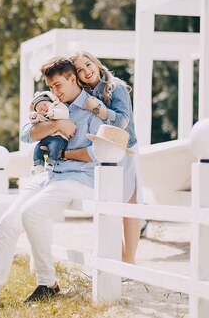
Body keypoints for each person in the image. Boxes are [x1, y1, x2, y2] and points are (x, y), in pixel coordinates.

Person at [0, 57, 104, 309]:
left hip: (78, 177)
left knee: (31, 213)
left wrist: (60, 154)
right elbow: (27, 134)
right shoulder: (53, 105)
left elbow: (96, 153)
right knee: (6, 223)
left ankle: (47, 283)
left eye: (58, 85)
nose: (54, 92)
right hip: (49, 176)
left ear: (71, 78)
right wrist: (58, 124)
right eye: (51, 87)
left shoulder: (92, 109)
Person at [69, 50, 143, 264]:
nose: (86, 72)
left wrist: (99, 109)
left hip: (124, 148)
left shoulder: (115, 86)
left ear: (96, 63)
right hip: (101, 151)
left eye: (88, 65)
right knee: (107, 203)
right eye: (80, 70)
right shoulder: (83, 94)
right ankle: (117, 257)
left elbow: (122, 121)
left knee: (129, 205)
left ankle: (130, 260)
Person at [28, 90, 70, 175]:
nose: (44, 108)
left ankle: (51, 163)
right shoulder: (42, 117)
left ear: (50, 101)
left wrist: (54, 113)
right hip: (46, 138)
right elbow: (35, 120)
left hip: (59, 137)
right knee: (38, 148)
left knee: (54, 147)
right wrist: (33, 116)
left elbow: (65, 113)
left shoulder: (58, 106)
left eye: (45, 105)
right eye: (40, 110)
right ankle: (38, 165)